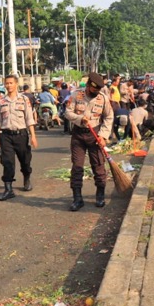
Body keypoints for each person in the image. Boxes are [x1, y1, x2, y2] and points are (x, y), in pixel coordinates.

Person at [63, 72, 114, 211]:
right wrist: (79, 119)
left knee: (98, 165)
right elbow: (67, 112)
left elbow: (109, 117)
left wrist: (103, 136)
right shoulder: (76, 95)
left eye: (99, 89)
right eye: (94, 89)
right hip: (78, 134)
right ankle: (77, 198)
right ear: (89, 85)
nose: (97, 92)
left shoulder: (103, 98)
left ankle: (100, 194)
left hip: (95, 135)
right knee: (77, 166)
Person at [0, 74, 38, 200]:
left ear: (16, 84)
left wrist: (33, 136)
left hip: (21, 135)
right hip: (6, 135)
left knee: (25, 160)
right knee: (7, 162)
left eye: (11, 83)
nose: (8, 85)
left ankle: (26, 178)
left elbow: (29, 119)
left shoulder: (24, 100)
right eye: (6, 83)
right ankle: (8, 189)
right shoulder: (1, 101)